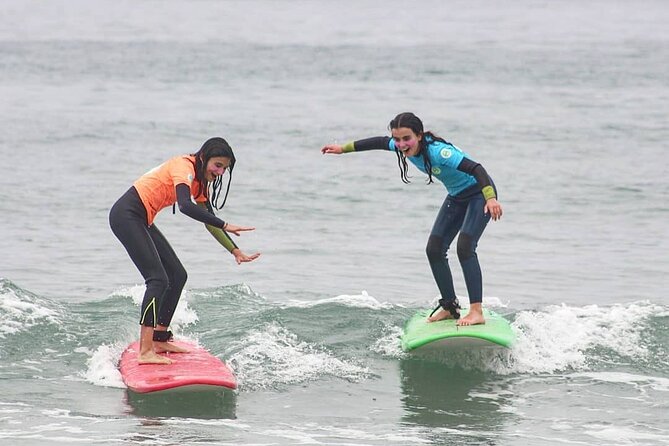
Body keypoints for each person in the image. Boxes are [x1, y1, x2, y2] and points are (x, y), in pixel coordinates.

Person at [321, 112, 502, 326]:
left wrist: (490, 199)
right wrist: (343, 149)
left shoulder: (439, 152)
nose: (401, 144)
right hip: (457, 196)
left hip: (479, 193)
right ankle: (449, 306)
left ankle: (476, 311)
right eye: (397, 139)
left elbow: (476, 169)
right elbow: (378, 142)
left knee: (465, 247)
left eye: (406, 139)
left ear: (419, 134)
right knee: (434, 249)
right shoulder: (401, 145)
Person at [109, 137, 260, 364]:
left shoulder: (200, 182)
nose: (219, 172)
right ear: (203, 157)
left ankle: (159, 338)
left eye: (224, 168)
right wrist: (225, 223)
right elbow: (184, 205)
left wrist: (234, 250)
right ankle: (145, 350)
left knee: (178, 275)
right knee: (157, 280)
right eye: (217, 165)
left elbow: (209, 221)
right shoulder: (184, 167)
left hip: (142, 218)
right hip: (127, 214)